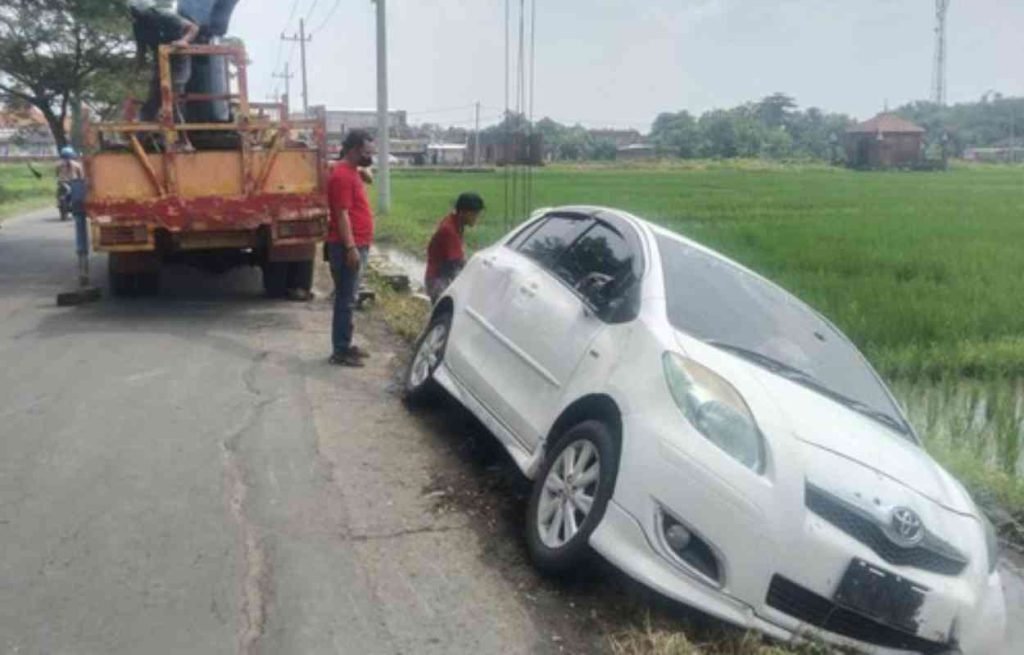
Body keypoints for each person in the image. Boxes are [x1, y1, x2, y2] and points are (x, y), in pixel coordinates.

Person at [326, 130, 376, 367]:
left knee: (349, 297)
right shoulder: (342, 176)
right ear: (354, 150)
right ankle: (340, 350)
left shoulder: (351, 171)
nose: (370, 157)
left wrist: (363, 171)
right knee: (345, 299)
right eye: (367, 152)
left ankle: (345, 344)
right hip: (347, 246)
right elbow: (341, 214)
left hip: (357, 243)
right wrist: (351, 247)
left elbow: (366, 175)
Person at [129, 0, 199, 125]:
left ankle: (178, 128)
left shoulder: (165, 16)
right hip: (160, 59)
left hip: (178, 58)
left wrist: (184, 41)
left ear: (149, 11)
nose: (137, 15)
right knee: (154, 94)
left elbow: (193, 28)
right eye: (134, 13)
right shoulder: (138, 26)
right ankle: (144, 129)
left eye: (139, 13)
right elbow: (141, 50)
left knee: (174, 93)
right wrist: (136, 71)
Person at [425, 193, 485, 303]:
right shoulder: (449, 231)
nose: (477, 218)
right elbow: (456, 265)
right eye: (474, 214)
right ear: (463, 212)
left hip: (439, 274)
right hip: (437, 280)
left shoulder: (454, 222)